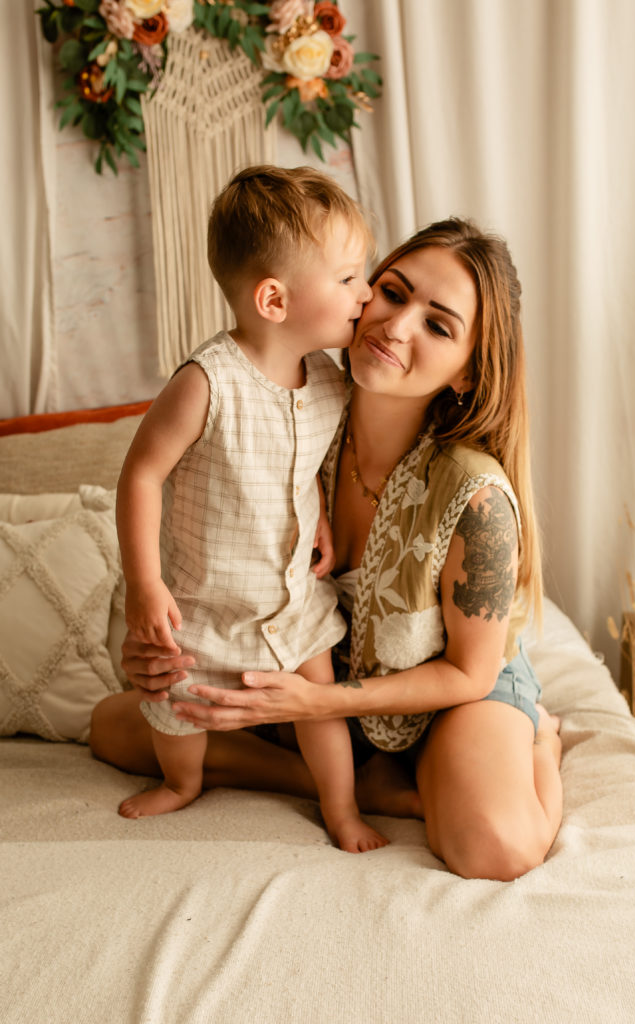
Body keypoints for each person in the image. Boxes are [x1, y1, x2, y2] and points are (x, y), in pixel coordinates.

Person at [92, 215, 563, 880]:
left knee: (495, 848)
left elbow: (469, 674)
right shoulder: (300, 414)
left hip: (450, 690)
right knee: (113, 727)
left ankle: (538, 741)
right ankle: (343, 780)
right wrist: (161, 645)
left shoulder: (475, 496)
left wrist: (318, 706)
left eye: (438, 325)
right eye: (393, 292)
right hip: (326, 672)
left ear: (465, 372)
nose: (397, 327)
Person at [114, 164, 388, 854]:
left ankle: (341, 809)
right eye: (348, 278)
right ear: (273, 299)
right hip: (202, 600)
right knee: (178, 707)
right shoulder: (207, 383)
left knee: (316, 701)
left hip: (292, 598)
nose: (365, 293)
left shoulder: (329, 380)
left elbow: (304, 467)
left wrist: (319, 515)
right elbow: (142, 476)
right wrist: (146, 586)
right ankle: (182, 784)